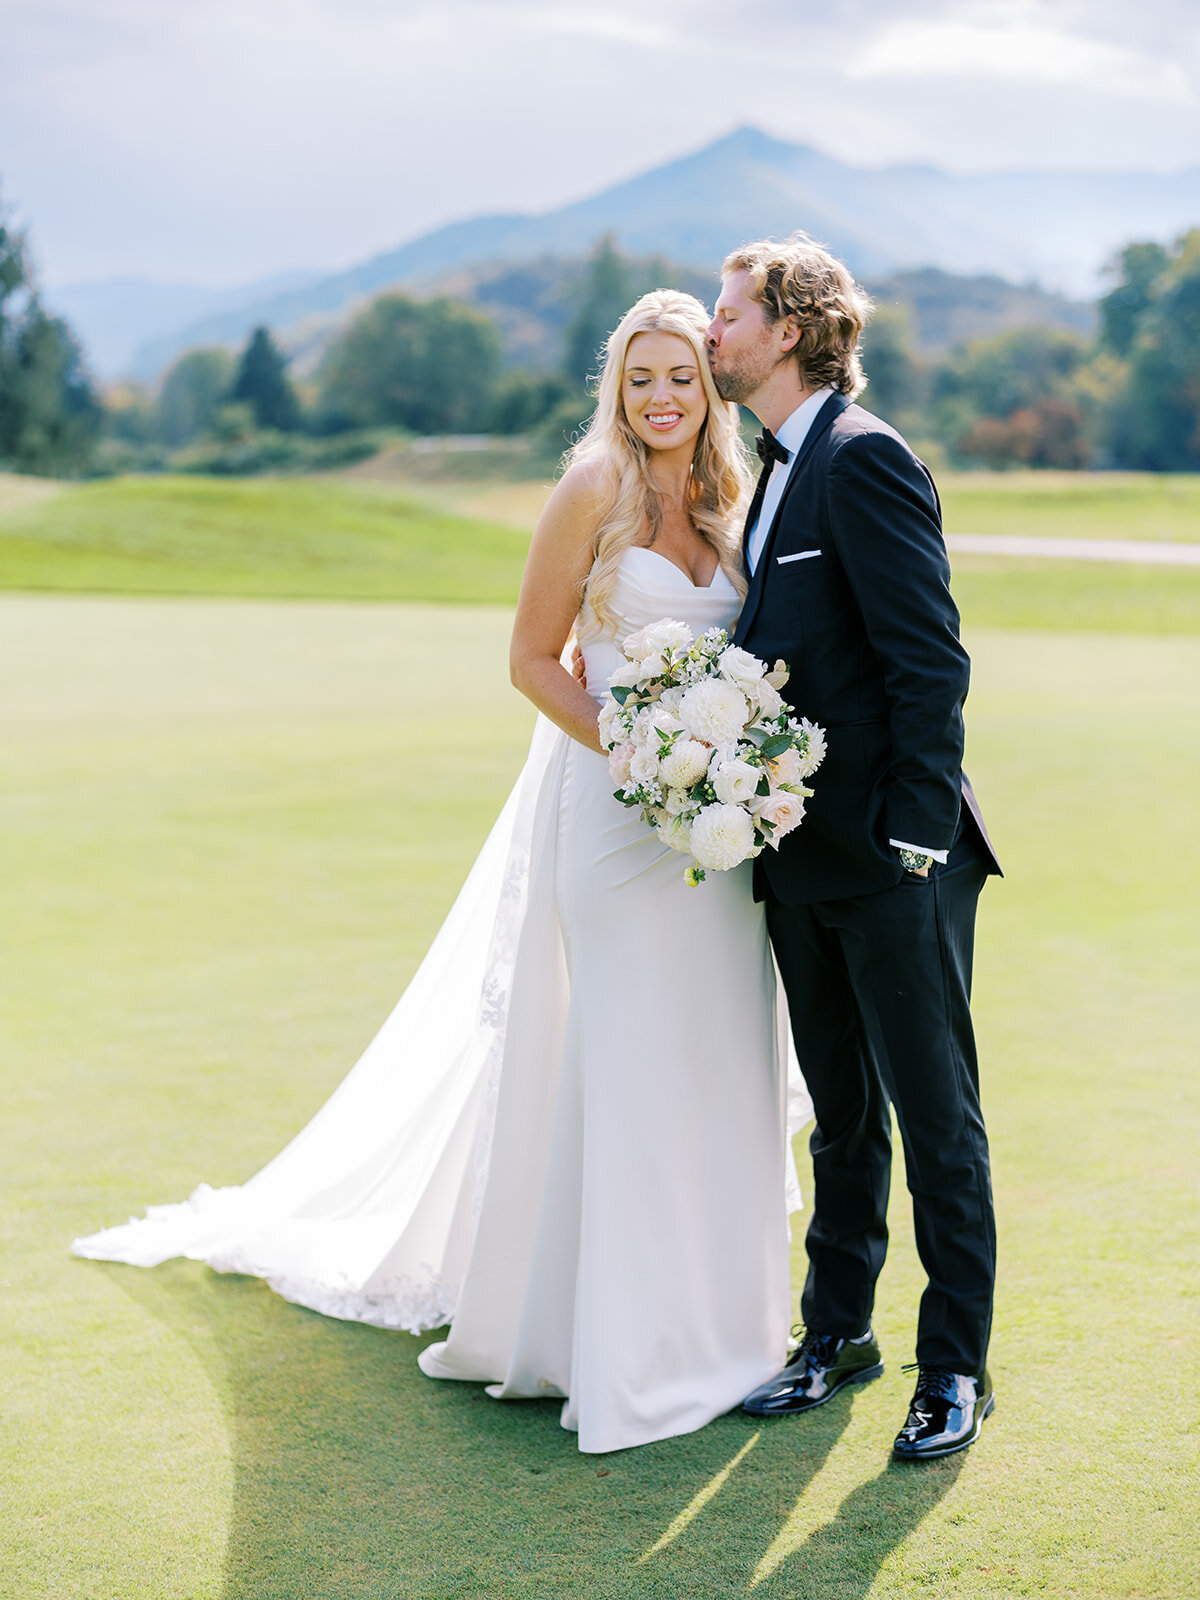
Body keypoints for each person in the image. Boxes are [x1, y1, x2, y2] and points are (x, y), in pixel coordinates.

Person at [74, 290, 810, 1456]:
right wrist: (642, 749)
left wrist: (726, 768)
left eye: (681, 375)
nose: (662, 397)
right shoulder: (591, 491)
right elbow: (530, 660)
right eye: (640, 378)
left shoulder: (736, 495)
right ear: (616, 389)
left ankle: (726, 1331)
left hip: (713, 847)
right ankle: (611, 1346)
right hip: (616, 831)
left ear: (708, 383)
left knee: (716, 1060)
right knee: (621, 1061)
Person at [706, 235, 1003, 1461]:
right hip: (800, 856)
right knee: (837, 1113)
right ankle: (839, 1335)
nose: (713, 333)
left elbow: (930, 662)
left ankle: (956, 1369)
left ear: (790, 328)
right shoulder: (773, 467)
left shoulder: (864, 458)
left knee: (937, 1120)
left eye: (728, 315)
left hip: (895, 860)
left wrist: (915, 840)